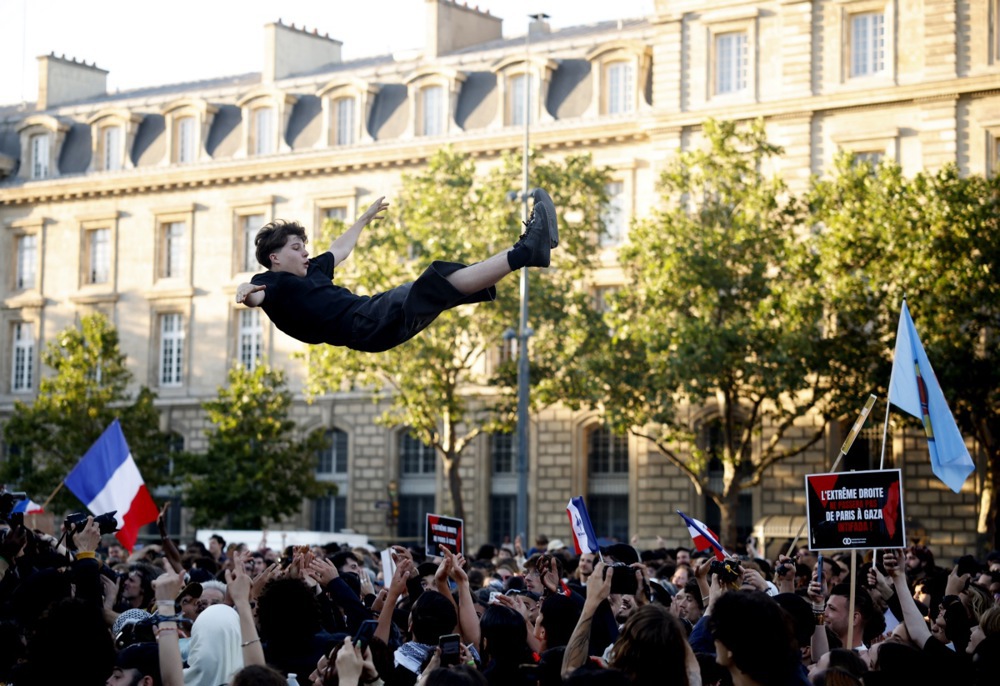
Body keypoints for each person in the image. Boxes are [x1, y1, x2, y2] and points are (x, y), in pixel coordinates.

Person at [235, 189, 559, 353]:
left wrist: (363, 219)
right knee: (432, 283)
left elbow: (339, 249)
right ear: (274, 258)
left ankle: (528, 249)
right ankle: (527, 250)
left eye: (304, 246)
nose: (305, 252)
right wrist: (245, 291)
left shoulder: (314, 270)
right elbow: (257, 297)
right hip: (363, 324)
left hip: (376, 322)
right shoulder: (272, 283)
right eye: (296, 248)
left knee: (445, 286)